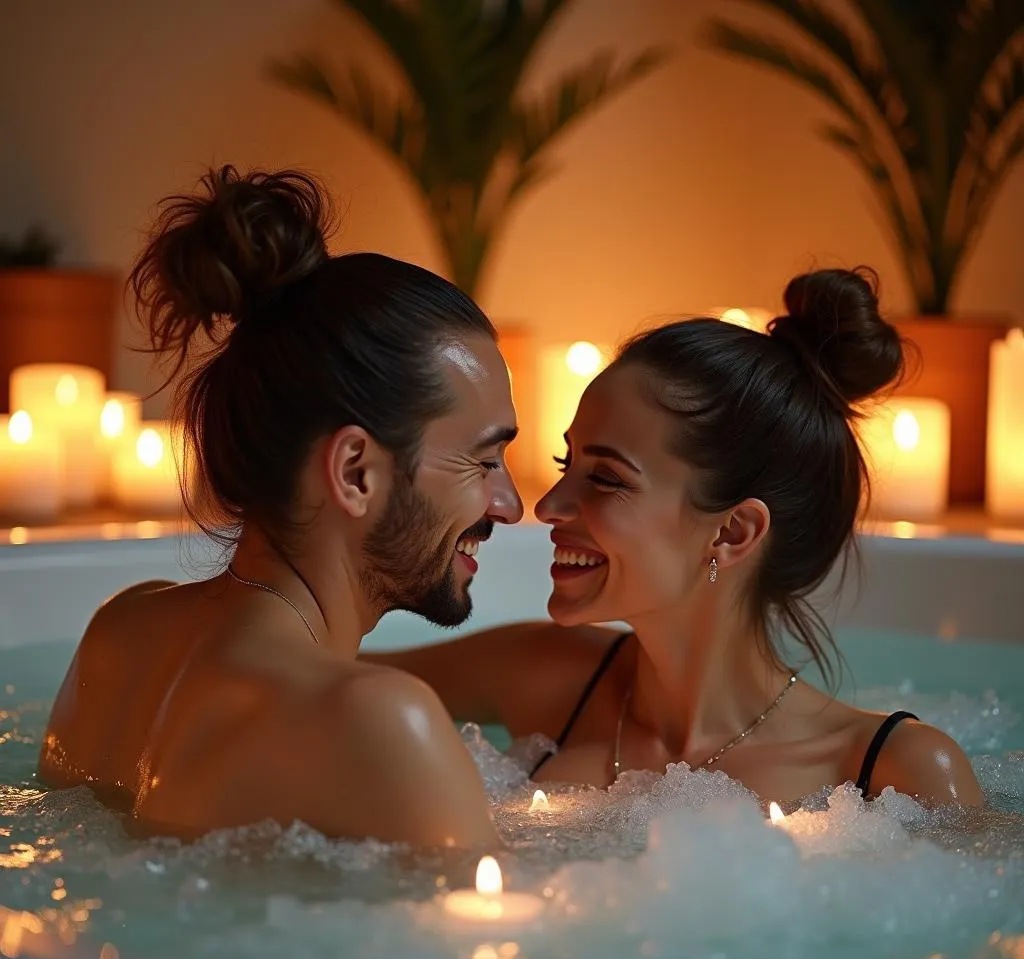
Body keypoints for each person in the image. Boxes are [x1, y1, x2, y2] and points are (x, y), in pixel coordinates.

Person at [367, 268, 985, 808]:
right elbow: (306, 681)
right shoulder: (544, 673)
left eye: (605, 478)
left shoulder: (894, 773)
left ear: (734, 531)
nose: (550, 506)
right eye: (567, 465)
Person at [38, 166, 524, 846]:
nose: (509, 502)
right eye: (483, 459)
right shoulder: (378, 719)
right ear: (355, 471)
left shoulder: (118, 635)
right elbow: (490, 944)